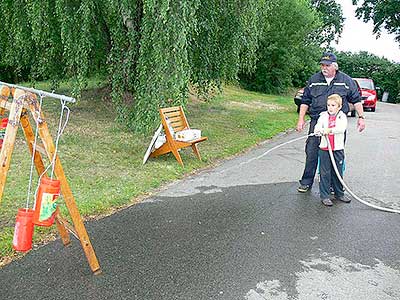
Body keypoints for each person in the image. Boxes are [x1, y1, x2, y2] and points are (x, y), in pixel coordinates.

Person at [296, 52, 365, 193]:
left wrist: (361, 117)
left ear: (335, 66)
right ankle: (306, 182)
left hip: (337, 124)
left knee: (335, 152)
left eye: (327, 65)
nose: (324, 68)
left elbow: (356, 100)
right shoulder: (314, 79)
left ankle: (334, 185)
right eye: (322, 65)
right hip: (318, 122)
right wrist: (301, 119)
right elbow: (305, 101)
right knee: (312, 152)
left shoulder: (346, 80)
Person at [314, 94, 349, 206]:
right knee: (325, 172)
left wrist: (329, 130)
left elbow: (341, 128)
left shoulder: (342, 116)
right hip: (325, 148)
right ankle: (325, 195)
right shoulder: (323, 116)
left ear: (339, 106)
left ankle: (339, 193)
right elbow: (317, 128)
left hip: (337, 149)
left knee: (338, 171)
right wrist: (319, 131)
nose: (330, 107)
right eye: (328, 105)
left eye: (333, 105)